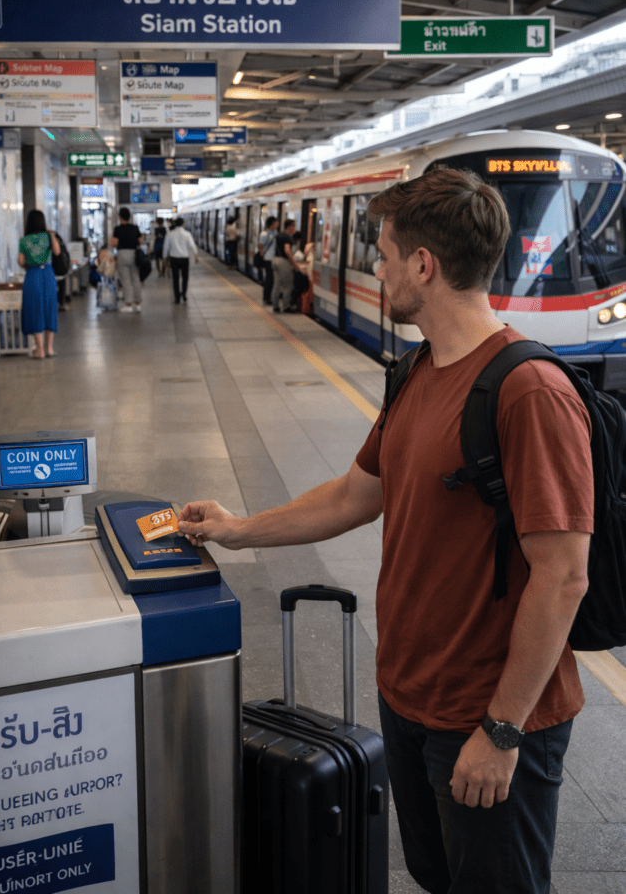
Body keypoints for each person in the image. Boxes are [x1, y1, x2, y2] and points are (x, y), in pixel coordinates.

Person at [175, 167, 593, 894]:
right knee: (435, 874)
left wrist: (501, 731)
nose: (377, 264)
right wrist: (237, 530)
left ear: (423, 266)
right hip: (408, 697)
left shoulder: (528, 391)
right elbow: (351, 496)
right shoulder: (415, 371)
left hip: (486, 712)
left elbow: (562, 576)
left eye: (385, 251)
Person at [18, 209, 60, 358]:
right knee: (50, 308)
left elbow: (21, 261)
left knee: (35, 309)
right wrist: (53, 236)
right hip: (48, 274)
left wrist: (30, 263)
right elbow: (57, 252)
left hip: (33, 275)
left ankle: (39, 350)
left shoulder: (24, 240)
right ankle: (49, 349)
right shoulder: (48, 236)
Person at [110, 207, 142, 313]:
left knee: (126, 280)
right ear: (129, 217)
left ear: (119, 217)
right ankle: (138, 304)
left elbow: (114, 243)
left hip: (122, 254)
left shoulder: (117, 229)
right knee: (136, 278)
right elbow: (140, 241)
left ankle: (128, 304)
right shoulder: (135, 228)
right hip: (134, 254)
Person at [271, 218, 305, 313]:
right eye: (294, 226)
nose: (294, 228)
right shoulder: (287, 236)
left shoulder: (279, 234)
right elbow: (287, 250)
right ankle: (286, 307)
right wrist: (295, 264)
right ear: (290, 227)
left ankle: (275, 306)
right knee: (288, 285)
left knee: (276, 285)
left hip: (275, 260)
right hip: (283, 261)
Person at [162, 216, 198, 304]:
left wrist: (164, 258)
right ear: (183, 224)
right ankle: (184, 295)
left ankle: (177, 298)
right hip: (185, 259)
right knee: (185, 278)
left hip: (174, 259)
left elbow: (166, 248)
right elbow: (192, 246)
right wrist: (196, 256)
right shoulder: (187, 234)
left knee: (175, 278)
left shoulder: (170, 234)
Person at [292, 230, 314, 316]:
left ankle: (296, 304)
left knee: (298, 282)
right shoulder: (310, 257)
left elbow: (307, 271)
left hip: (308, 279)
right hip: (308, 279)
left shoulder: (309, 258)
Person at [258, 216, 278, 305]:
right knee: (269, 279)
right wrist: (262, 255)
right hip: (268, 259)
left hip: (273, 258)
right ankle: (266, 298)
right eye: (276, 223)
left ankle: (269, 297)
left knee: (272, 279)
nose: (277, 224)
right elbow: (260, 245)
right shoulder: (264, 234)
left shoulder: (275, 232)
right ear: (272, 224)